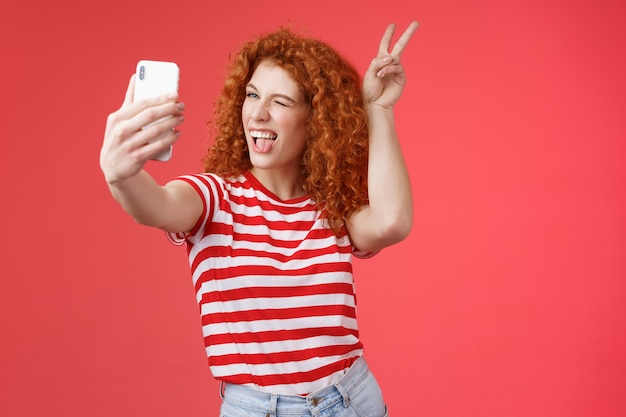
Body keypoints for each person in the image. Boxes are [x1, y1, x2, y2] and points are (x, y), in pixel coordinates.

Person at [100, 21, 418, 417]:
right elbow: (155, 204)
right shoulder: (215, 198)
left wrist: (380, 108)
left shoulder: (331, 210)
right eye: (253, 95)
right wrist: (121, 174)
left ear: (315, 119)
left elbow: (391, 222)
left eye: (281, 103)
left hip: (351, 399)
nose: (259, 114)